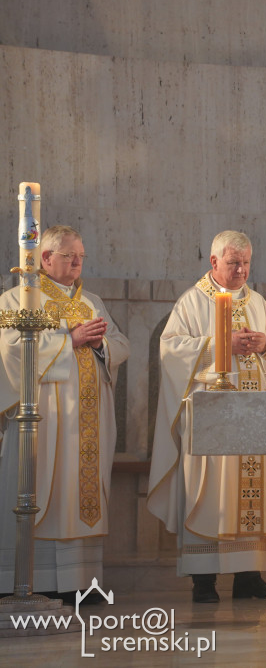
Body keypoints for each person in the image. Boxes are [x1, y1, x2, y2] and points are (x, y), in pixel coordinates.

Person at [147, 231, 266, 603]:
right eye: (233, 263)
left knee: (252, 494)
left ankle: (248, 576)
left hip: (255, 418)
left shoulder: (260, 303)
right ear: (214, 262)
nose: (241, 270)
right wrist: (220, 346)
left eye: (246, 263)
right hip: (211, 419)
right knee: (209, 492)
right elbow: (170, 351)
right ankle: (204, 580)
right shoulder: (192, 302)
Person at [0, 225, 130, 602]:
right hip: (43, 421)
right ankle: (32, 580)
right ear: (46, 258)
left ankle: (81, 582)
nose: (77, 263)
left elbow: (120, 344)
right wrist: (68, 341)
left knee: (79, 494)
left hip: (88, 425)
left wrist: (101, 345)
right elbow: (10, 351)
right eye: (70, 256)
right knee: (43, 488)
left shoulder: (92, 302)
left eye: (81, 257)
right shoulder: (17, 300)